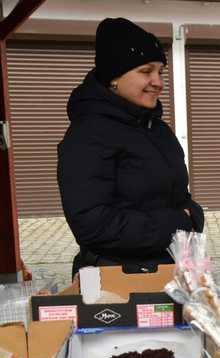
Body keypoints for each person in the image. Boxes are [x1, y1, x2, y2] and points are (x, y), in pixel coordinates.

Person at [58, 18, 204, 277]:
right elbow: (92, 224)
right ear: (114, 77)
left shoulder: (157, 129)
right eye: (146, 71)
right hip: (116, 281)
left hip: (169, 271)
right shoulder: (88, 134)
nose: (158, 82)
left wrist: (192, 214)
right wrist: (179, 222)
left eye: (160, 71)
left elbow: (179, 197)